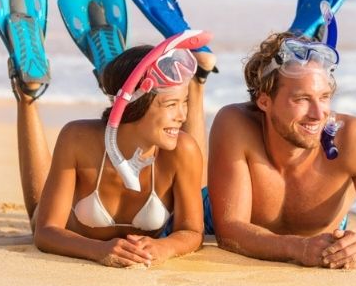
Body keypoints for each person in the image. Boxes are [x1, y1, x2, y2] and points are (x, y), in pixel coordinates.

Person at [207, 32, 356, 269]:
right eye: (302, 99)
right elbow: (229, 231)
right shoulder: (235, 124)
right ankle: (198, 75)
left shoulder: (350, 137)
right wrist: (297, 248)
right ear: (264, 102)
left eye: (324, 97)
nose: (319, 114)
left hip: (322, 238)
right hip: (219, 210)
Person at [16, 36, 217, 268]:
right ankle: (27, 91)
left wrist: (165, 247)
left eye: (185, 103)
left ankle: (113, 69)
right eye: (171, 105)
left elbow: (192, 231)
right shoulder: (77, 139)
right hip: (77, 236)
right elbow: (45, 232)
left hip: (145, 243)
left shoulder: (184, 150)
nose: (182, 115)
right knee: (37, 215)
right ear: (135, 104)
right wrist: (98, 250)